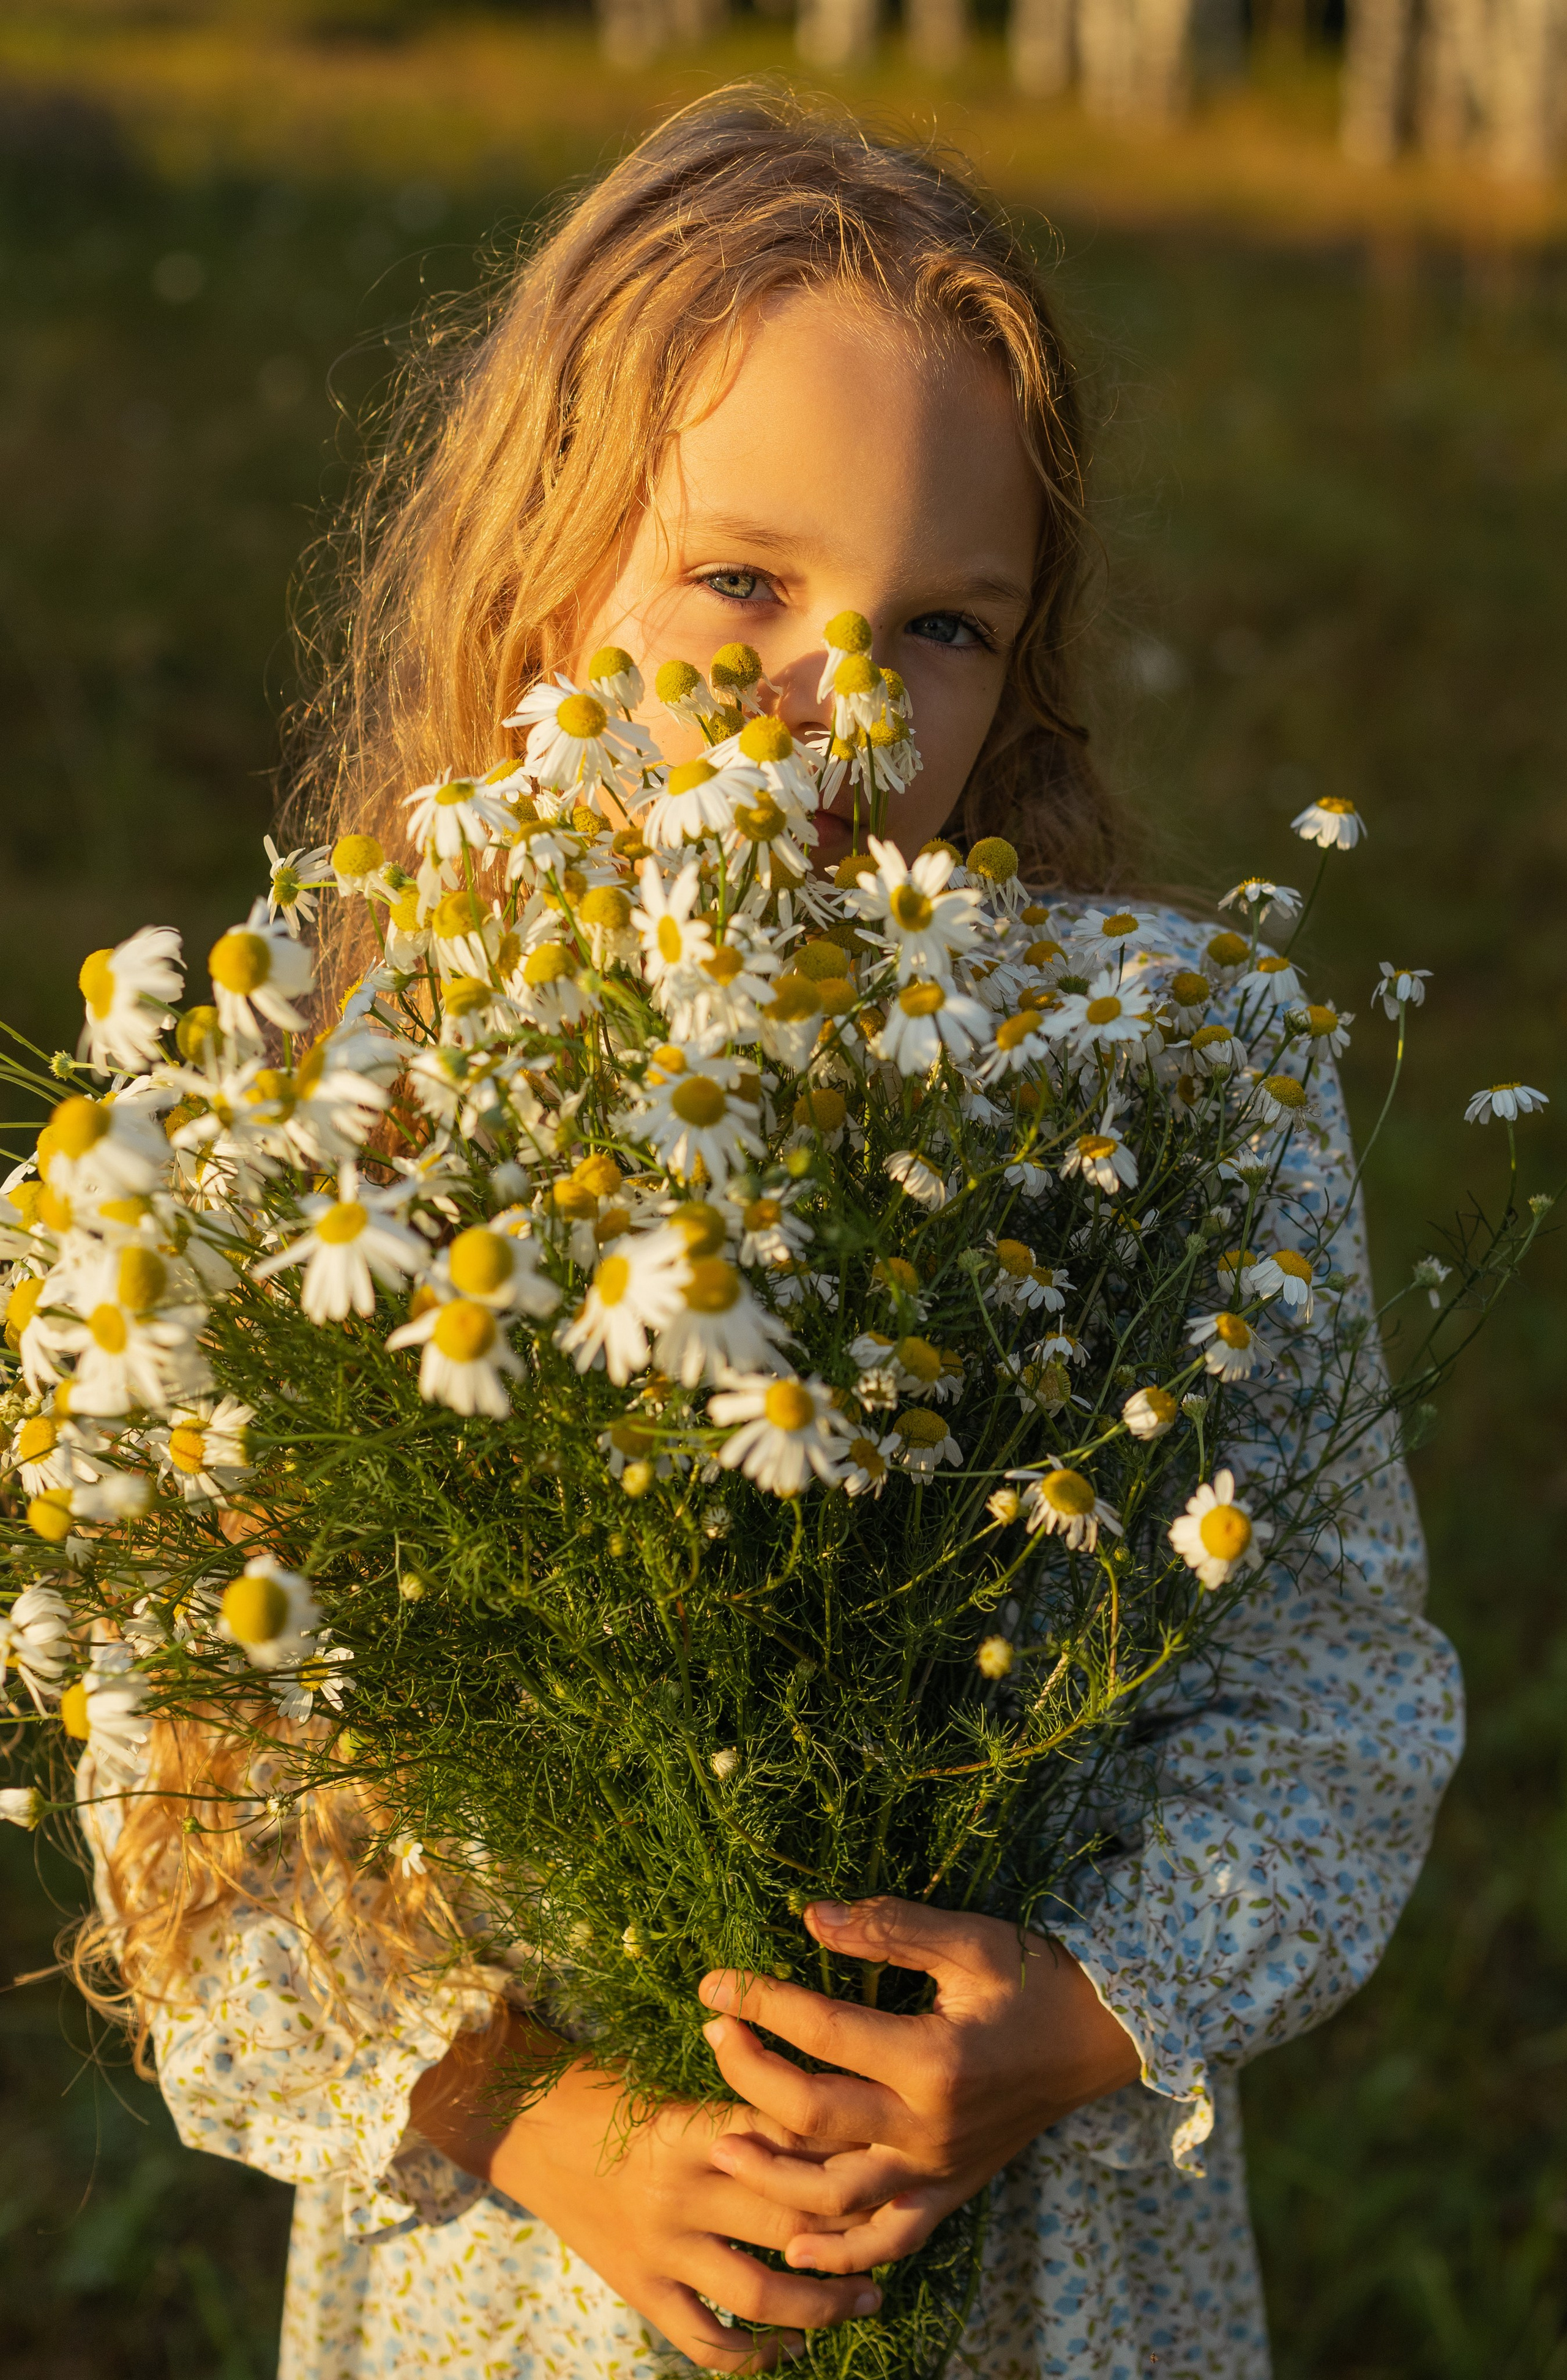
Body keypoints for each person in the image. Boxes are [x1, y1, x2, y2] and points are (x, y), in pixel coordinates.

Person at [82, 86, 1462, 2380]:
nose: (836, 708)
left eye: (943, 624)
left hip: (1021, 2260)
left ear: (1024, 667)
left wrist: (1091, 2018)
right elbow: (197, 1784)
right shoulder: (347, 1098)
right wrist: (546, 2124)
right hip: (538, 2277)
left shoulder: (1167, 1058)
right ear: (539, 575)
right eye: (741, 583)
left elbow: (1325, 1674)